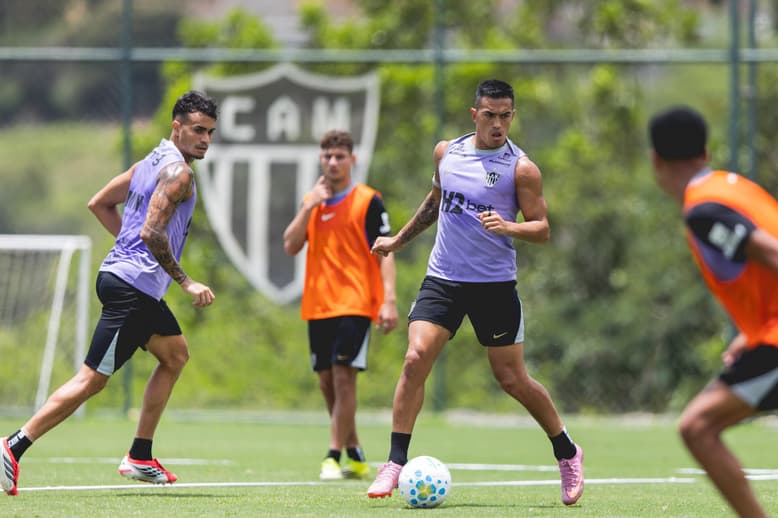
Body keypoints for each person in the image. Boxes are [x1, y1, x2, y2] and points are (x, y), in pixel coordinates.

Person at [367, 79, 584, 506]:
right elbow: (434, 202)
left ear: (513, 116)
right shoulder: (448, 152)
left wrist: (510, 226)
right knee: (415, 358)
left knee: (512, 379)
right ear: (475, 115)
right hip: (444, 278)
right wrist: (397, 243)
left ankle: (567, 452)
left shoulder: (521, 168)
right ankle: (394, 462)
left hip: (494, 286)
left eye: (505, 116)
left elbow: (542, 228)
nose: (498, 124)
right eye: (490, 115)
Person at [0, 91, 218, 496]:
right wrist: (186, 282)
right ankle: (12, 446)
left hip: (128, 280)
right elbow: (151, 232)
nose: (205, 139)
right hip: (133, 288)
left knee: (175, 355)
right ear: (177, 127)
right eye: (198, 130)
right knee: (91, 381)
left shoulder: (148, 162)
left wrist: (130, 250)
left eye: (210, 132)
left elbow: (99, 203)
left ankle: (140, 454)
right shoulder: (179, 174)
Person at [649, 106, 778, 518]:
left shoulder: (703, 210)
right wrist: (752, 332)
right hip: (768, 334)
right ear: (705, 152)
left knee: (698, 427)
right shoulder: (735, 186)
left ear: (656, 161)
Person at [283, 130, 398, 481]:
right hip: (318, 304)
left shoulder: (367, 200)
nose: (333, 162)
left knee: (344, 379)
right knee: (326, 383)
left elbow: (386, 251)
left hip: (355, 302)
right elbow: (290, 245)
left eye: (339, 156)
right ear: (321, 159)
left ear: (352, 160)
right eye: (327, 156)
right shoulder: (312, 202)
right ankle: (355, 453)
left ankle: (332, 455)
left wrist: (389, 300)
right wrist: (308, 206)